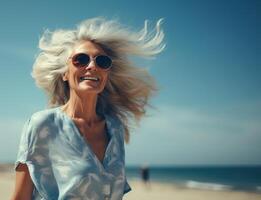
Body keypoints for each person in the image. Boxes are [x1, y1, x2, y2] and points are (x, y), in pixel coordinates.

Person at [11, 17, 165, 200]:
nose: (92, 66)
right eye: (81, 59)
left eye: (102, 61)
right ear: (65, 73)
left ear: (106, 74)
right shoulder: (43, 125)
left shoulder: (114, 128)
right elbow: (20, 197)